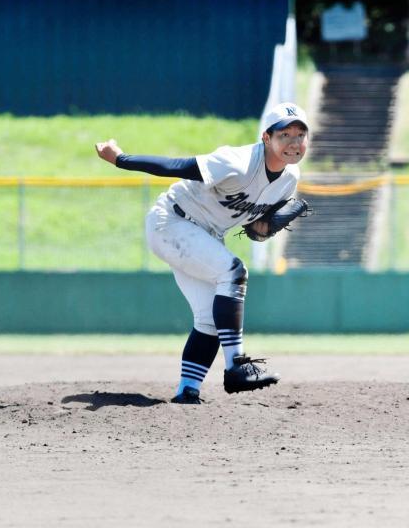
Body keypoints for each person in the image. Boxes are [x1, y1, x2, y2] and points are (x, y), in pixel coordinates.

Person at [94, 102, 311, 404]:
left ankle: (187, 391)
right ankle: (236, 366)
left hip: (204, 236)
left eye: (300, 134)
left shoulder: (289, 180)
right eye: (284, 134)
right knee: (233, 271)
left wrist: (263, 229)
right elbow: (174, 166)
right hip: (171, 221)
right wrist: (120, 159)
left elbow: (257, 228)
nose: (293, 142)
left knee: (211, 318)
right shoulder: (237, 161)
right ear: (266, 137)